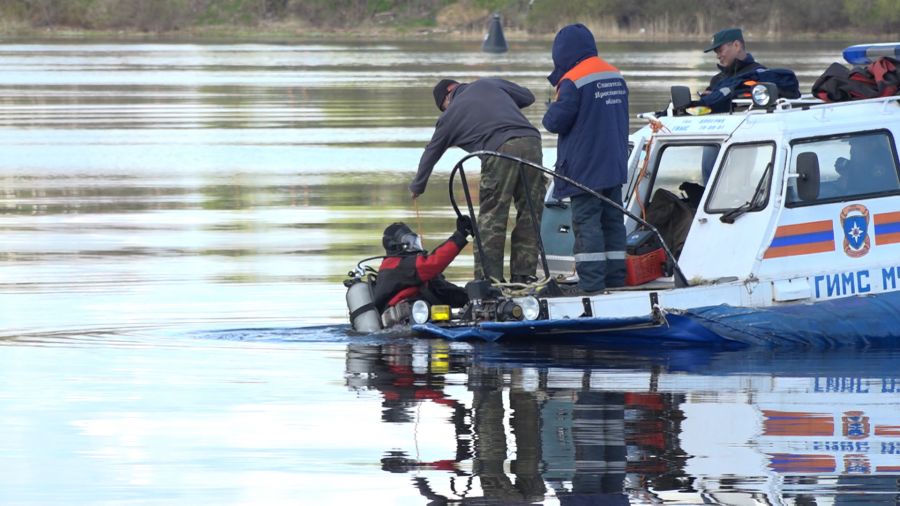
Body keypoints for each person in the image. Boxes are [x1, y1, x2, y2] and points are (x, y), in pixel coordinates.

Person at [409, 77, 546, 284]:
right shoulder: (489, 84)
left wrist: (417, 185)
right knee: (530, 213)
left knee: (492, 218)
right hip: (531, 141)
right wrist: (499, 103)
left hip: (499, 149)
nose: (445, 111)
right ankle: (524, 275)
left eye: (443, 107)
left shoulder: (450, 116)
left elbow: (432, 152)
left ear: (447, 97)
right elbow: (527, 97)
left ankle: (489, 282)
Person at [542, 23, 629, 295]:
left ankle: (591, 285)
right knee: (613, 221)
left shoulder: (572, 80)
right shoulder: (615, 74)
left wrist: (550, 108)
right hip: (614, 164)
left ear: (563, 52)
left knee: (587, 223)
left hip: (585, 169)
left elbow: (555, 122)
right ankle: (616, 279)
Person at [372, 216, 473, 319]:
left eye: (414, 241)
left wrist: (472, 297)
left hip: (418, 314)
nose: (414, 245)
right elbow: (435, 262)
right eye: (409, 242)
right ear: (395, 245)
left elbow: (443, 290)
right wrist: (460, 235)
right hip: (401, 322)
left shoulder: (412, 269)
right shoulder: (396, 265)